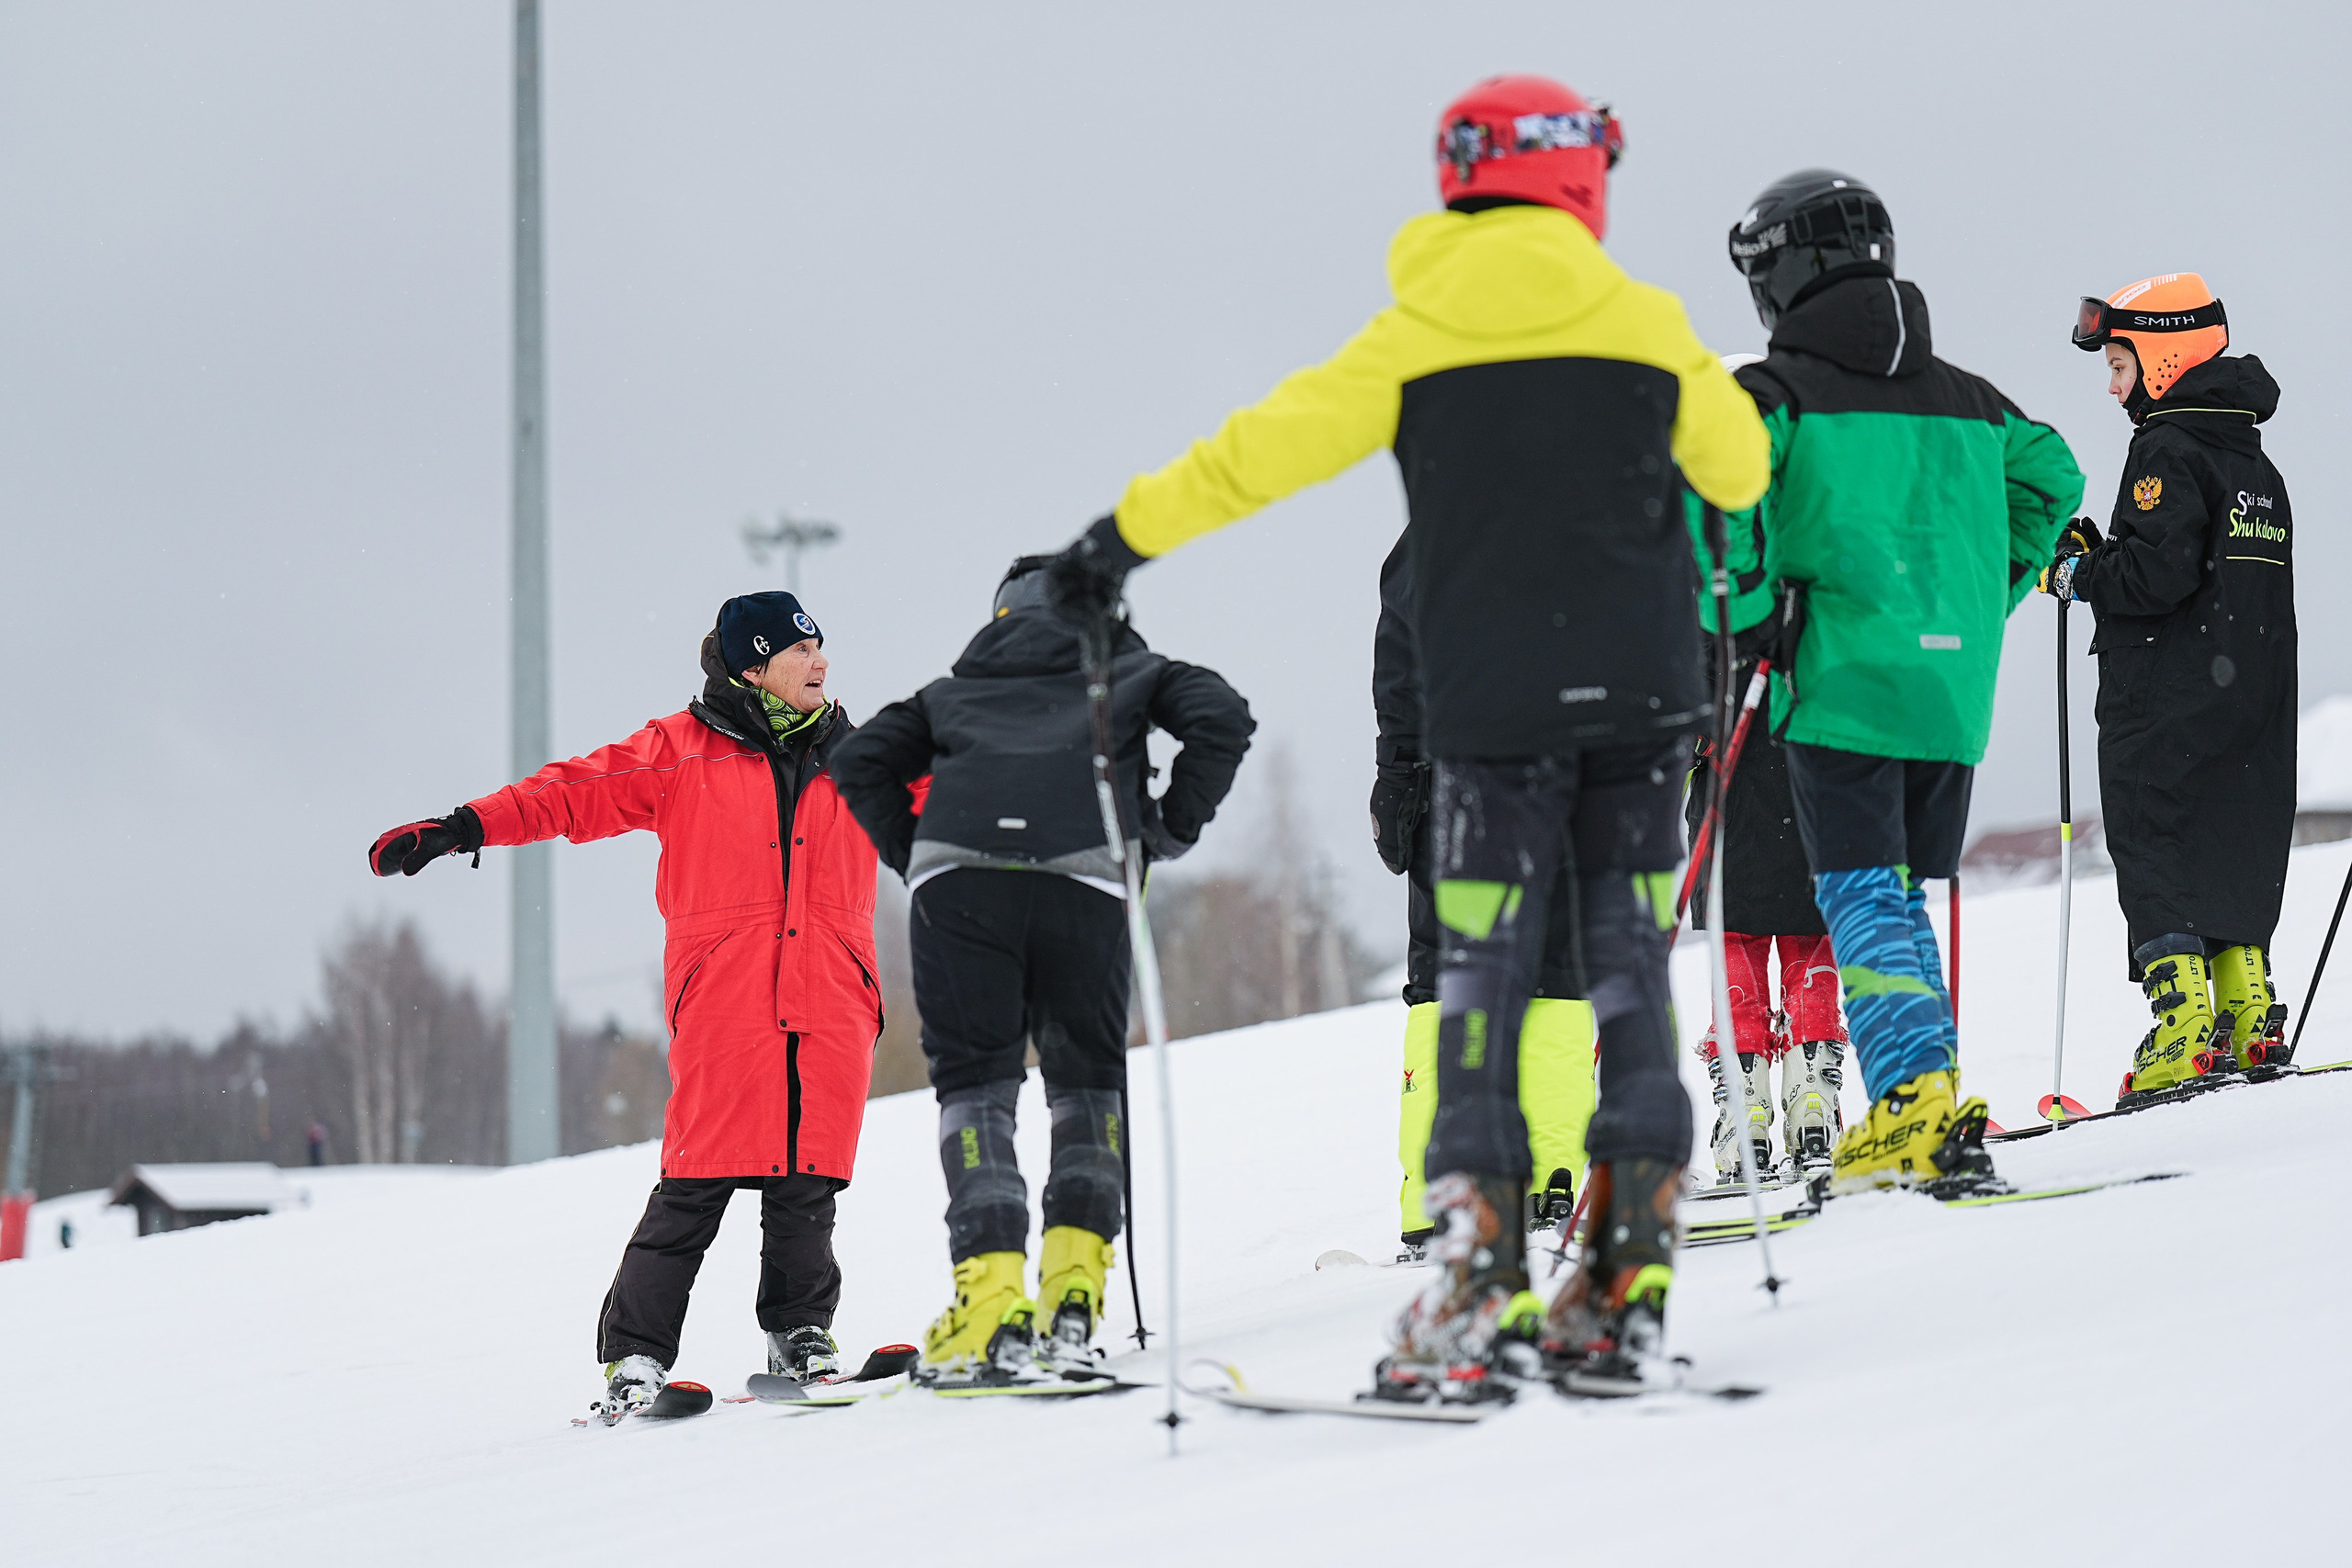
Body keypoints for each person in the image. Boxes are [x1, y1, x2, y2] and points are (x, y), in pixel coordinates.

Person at [1047, 73, 1771, 1397]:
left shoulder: (1419, 331)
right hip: (1642, 713)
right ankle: (1627, 1269)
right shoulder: (1648, 324)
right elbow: (1737, 471)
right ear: (1580, 177)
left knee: (1482, 987)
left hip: (1489, 726)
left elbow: (1255, 452)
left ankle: (1477, 1275)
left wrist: (1113, 544)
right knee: (1626, 973)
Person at [368, 592, 889, 1419]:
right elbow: (569, 794)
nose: (822, 663)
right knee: (696, 1181)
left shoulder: (863, 756)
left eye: (822, 647)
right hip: (728, 1001)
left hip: (832, 996)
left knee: (810, 1177)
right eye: (802, 651)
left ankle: (800, 1333)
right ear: (754, 665)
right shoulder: (680, 752)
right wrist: (465, 826)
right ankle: (636, 1357)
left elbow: (961, 797)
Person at [1722, 170, 2083, 1191]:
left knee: (1858, 893)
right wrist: (1975, 600)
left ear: (1782, 275)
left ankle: (1911, 1106)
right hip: (1947, 687)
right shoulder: (1970, 398)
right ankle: (1928, 1088)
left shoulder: (1772, 395)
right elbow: (2053, 476)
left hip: (1837, 675)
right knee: (1894, 895)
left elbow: (1728, 502)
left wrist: (1755, 622)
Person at [829, 560, 1252, 1385]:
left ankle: (989, 1303)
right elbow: (1223, 717)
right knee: (1086, 1087)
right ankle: (1073, 1298)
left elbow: (860, 759)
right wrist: (1165, 830)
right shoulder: (1128, 672)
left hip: (961, 890)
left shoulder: (951, 693)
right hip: (1085, 881)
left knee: (977, 1090)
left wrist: (914, 856)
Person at [2049, 274, 2296, 1105]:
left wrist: (2080, 571)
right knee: (2231, 841)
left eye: (2120, 366)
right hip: (2250, 692)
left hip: (2164, 695)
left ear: (2163, 356)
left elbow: (2155, 574)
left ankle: (2184, 1026)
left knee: (2154, 844)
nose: (2114, 387)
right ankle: (2247, 1010)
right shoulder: (2253, 458)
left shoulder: (2165, 446)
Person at [1371, 535, 1596, 1255]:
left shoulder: (1432, 534)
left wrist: (1398, 772)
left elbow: (1400, 672)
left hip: (1456, 779)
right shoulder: (1587, 516)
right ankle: (1552, 1180)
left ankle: (1441, 1191)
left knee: (1448, 979)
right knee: (1555, 975)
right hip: (1562, 774)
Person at [1679, 476, 1846, 1187]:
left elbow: (1675, 678)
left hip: (1733, 783)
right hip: (1812, 776)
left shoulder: (1701, 555)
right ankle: (1810, 1097)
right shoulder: (1817, 539)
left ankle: (1747, 1109)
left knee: (1738, 942)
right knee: (1809, 939)